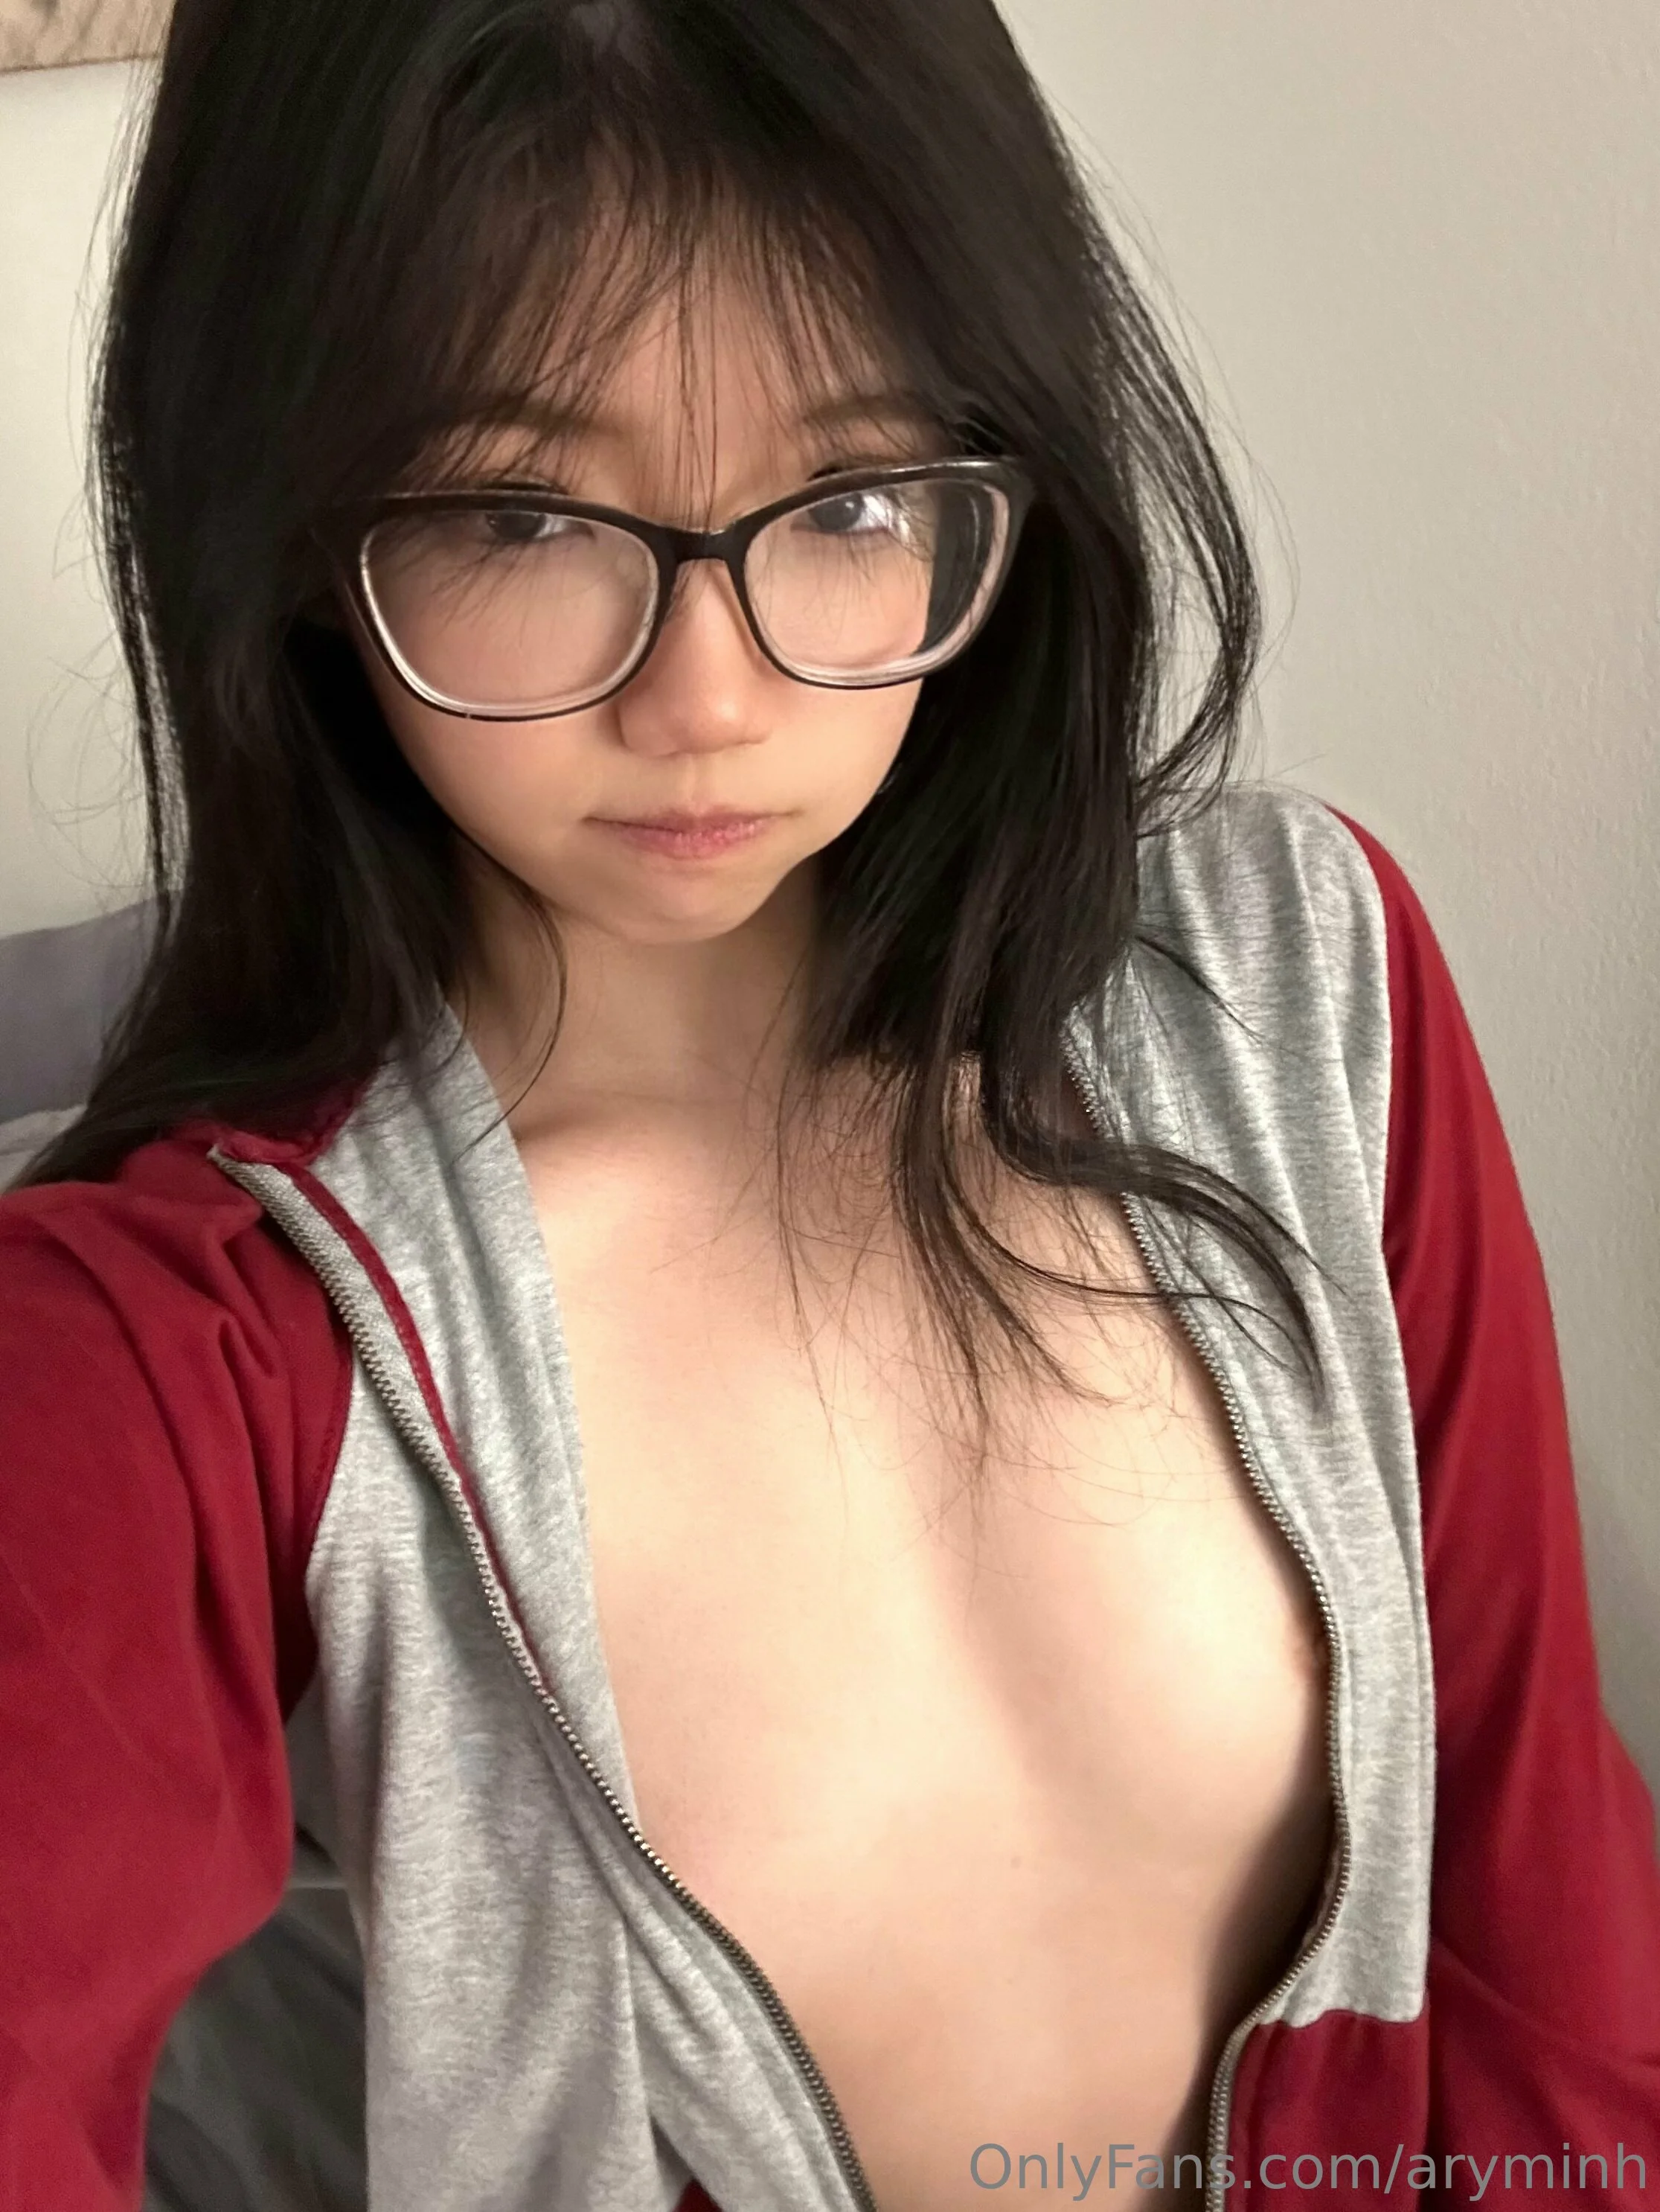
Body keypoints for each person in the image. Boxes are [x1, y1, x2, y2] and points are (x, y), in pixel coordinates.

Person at [3, 1, 1659, 2208]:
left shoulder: (1297, 988)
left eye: (856, 497)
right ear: (295, 531)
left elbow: (1550, 1939)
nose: (711, 698)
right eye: (520, 514)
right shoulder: (181, 1339)